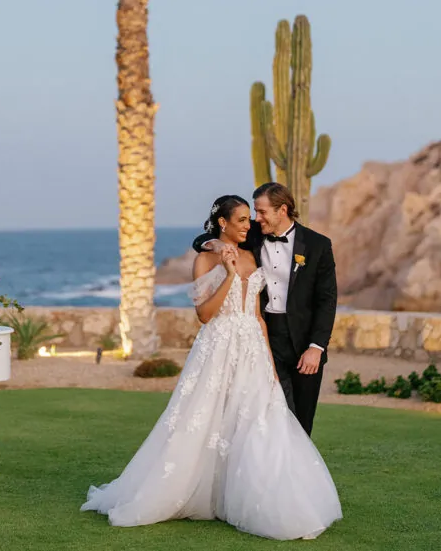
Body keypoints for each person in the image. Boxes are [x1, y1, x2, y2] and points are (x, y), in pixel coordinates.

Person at [80, 195, 342, 540]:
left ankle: (255, 496)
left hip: (253, 347)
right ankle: (186, 491)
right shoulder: (205, 259)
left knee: (256, 421)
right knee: (204, 418)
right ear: (223, 223)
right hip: (218, 346)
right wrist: (229, 274)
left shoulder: (253, 252)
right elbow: (204, 315)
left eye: (253, 217)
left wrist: (268, 363)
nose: (250, 224)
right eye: (242, 219)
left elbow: (258, 316)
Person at [192, 183, 337, 436]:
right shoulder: (254, 236)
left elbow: (327, 300)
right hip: (266, 335)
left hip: (305, 342)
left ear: (282, 210)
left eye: (261, 212)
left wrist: (316, 347)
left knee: (302, 421)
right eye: (254, 212)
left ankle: (296, 463)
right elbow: (204, 238)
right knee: (271, 415)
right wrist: (216, 245)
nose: (256, 219)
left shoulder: (318, 245)